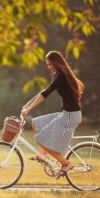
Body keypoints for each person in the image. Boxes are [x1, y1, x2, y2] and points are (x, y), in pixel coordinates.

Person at [21, 50, 84, 179]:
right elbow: (44, 91)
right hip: (67, 113)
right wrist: (28, 104)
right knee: (37, 123)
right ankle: (45, 156)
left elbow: (46, 94)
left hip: (70, 116)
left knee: (41, 139)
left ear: (56, 63)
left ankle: (66, 164)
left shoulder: (61, 76)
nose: (48, 67)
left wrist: (28, 109)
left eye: (50, 64)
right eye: (47, 64)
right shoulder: (58, 75)